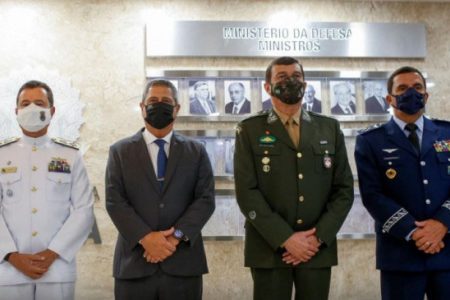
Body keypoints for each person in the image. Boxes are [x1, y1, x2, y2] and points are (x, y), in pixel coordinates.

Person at [234, 57, 354, 300]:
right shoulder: (250, 129)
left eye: (296, 76)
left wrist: (317, 237)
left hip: (316, 249)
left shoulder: (328, 128)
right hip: (269, 247)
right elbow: (247, 192)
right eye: (282, 77)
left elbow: (343, 189)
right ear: (267, 87)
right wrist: (285, 238)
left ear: (305, 84)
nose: (291, 81)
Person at [105, 79, 215, 300]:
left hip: (183, 265)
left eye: (166, 101)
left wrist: (174, 238)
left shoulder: (196, 151)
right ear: (142, 106)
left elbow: (205, 200)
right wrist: (146, 238)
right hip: (134, 264)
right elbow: (115, 201)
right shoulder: (120, 151)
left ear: (177, 109)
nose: (159, 104)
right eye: (153, 100)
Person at [355, 66, 450, 300]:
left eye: (417, 88)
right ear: (390, 98)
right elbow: (372, 195)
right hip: (399, 254)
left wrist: (441, 224)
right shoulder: (370, 141)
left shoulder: (447, 134)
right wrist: (415, 232)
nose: (411, 93)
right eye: (403, 88)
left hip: (446, 249)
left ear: (426, 96)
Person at [0, 80, 94, 300]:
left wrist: (52, 253)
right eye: (26, 103)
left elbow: (84, 209)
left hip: (57, 269)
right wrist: (12, 255)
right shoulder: (2, 155)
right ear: (16, 111)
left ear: (51, 111)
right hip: (9, 270)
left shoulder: (70, 155)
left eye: (39, 103)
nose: (32, 108)